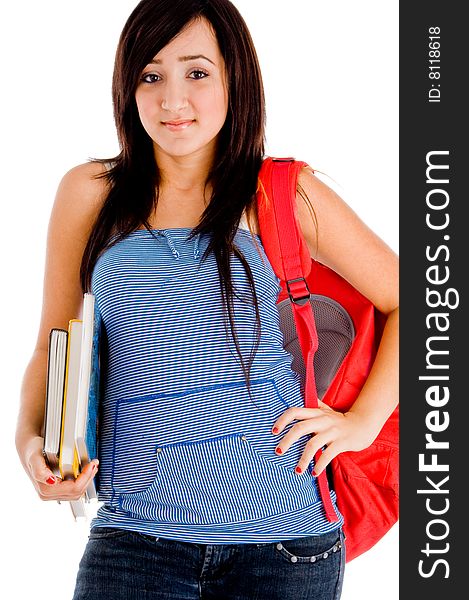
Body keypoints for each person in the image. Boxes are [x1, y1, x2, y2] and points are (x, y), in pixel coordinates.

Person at [15, 0, 398, 598]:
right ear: (127, 86)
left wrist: (362, 423)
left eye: (197, 73)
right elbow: (52, 342)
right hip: (133, 542)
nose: (173, 100)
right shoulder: (89, 194)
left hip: (284, 548)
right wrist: (30, 442)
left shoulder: (281, 193)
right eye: (151, 75)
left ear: (234, 80)